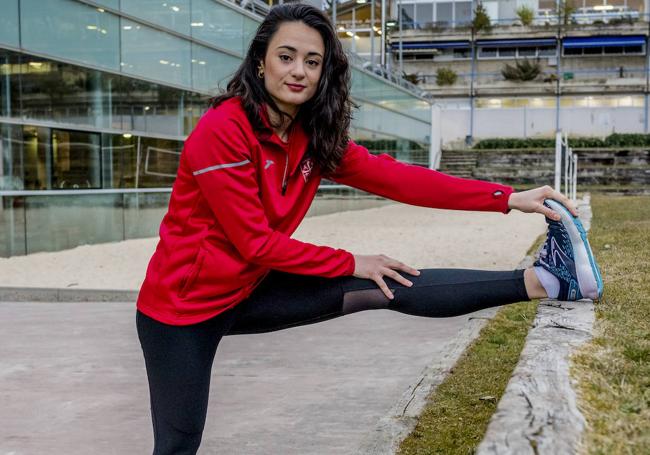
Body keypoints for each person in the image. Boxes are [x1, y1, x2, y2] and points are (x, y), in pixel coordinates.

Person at [135, 4, 603, 454]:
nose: (298, 70)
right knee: (178, 445)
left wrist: (506, 197)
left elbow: (400, 179)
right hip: (182, 310)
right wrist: (352, 260)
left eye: (312, 61)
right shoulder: (223, 131)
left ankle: (548, 281)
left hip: (249, 287)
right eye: (286, 56)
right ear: (260, 64)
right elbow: (255, 242)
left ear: (324, 73)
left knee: (384, 281)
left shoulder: (311, 135)